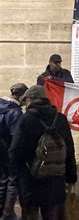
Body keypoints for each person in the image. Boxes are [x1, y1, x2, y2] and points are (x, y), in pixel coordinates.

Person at [9, 85, 77, 220]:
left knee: (30, 215)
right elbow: (69, 150)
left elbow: (15, 151)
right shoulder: (61, 119)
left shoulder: (26, 119)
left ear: (31, 100)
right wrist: (71, 178)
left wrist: (14, 177)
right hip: (55, 180)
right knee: (52, 215)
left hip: (30, 181)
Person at [0, 83, 28, 220]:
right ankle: (6, 214)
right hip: (8, 153)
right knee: (10, 183)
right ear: (21, 96)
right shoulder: (15, 112)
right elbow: (15, 138)